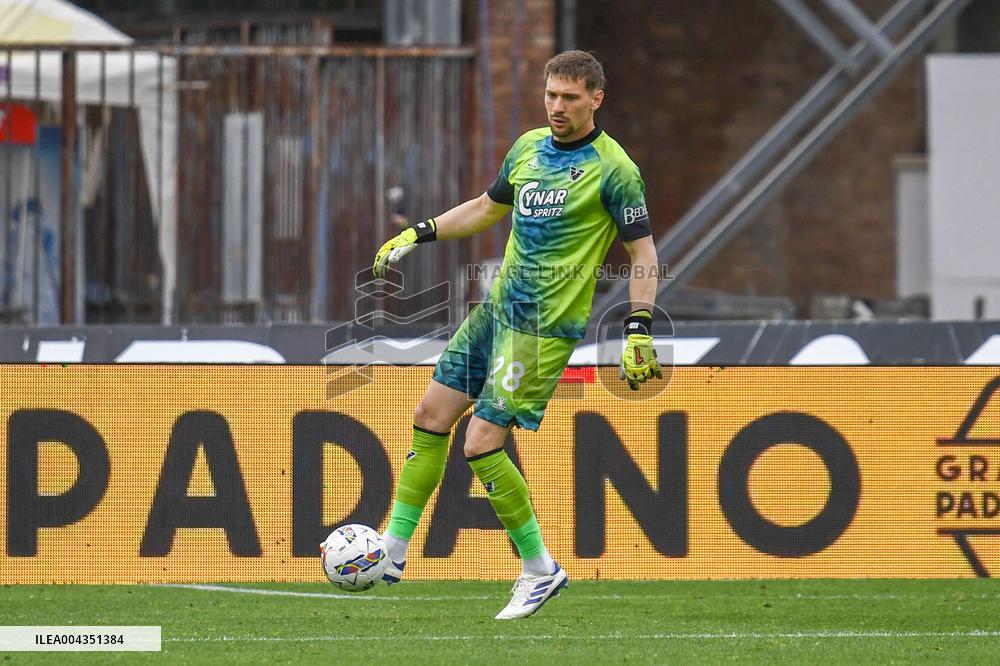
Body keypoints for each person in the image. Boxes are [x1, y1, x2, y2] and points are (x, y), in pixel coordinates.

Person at [371, 50, 662, 620]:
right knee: (430, 415)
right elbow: (486, 208)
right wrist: (418, 233)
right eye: (551, 94)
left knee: (481, 442)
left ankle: (539, 569)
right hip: (496, 311)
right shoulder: (528, 147)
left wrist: (639, 329)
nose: (557, 106)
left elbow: (644, 254)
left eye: (570, 97)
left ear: (596, 99)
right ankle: (393, 551)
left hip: (541, 328)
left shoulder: (615, 169)